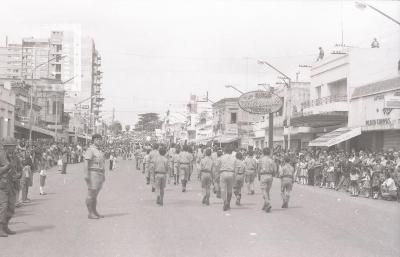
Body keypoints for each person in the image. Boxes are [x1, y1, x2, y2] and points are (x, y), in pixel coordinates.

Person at [0, 137, 23, 236]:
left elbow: (20, 169)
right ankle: (0, 228)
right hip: (3, 186)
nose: (13, 149)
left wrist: (19, 174)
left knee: (11, 208)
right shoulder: (1, 156)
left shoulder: (15, 157)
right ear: (5, 147)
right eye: (11, 147)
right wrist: (7, 167)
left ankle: (5, 226)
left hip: (12, 185)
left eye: (14, 147)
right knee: (3, 207)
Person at [84, 134, 106, 219]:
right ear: (93, 140)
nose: (99, 141)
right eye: (97, 139)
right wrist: (86, 174)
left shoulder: (99, 151)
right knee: (91, 193)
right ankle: (90, 213)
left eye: (100, 139)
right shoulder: (91, 150)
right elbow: (86, 163)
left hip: (99, 173)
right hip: (93, 173)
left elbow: (102, 164)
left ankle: (95, 211)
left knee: (95, 195)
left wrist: (103, 175)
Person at [217, 146, 236, 211]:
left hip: (223, 173)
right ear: (231, 151)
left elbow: (217, 166)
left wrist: (217, 174)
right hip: (231, 173)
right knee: (230, 190)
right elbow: (235, 168)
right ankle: (229, 204)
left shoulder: (221, 158)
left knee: (223, 189)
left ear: (224, 151)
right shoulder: (234, 158)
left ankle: (225, 201)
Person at [258, 148, 277, 213]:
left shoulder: (261, 160)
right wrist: (273, 175)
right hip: (270, 176)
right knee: (267, 191)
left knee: (264, 190)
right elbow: (275, 170)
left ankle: (267, 203)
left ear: (263, 152)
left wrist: (259, 176)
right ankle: (265, 205)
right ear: (269, 153)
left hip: (263, 175)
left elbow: (258, 169)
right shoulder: (272, 160)